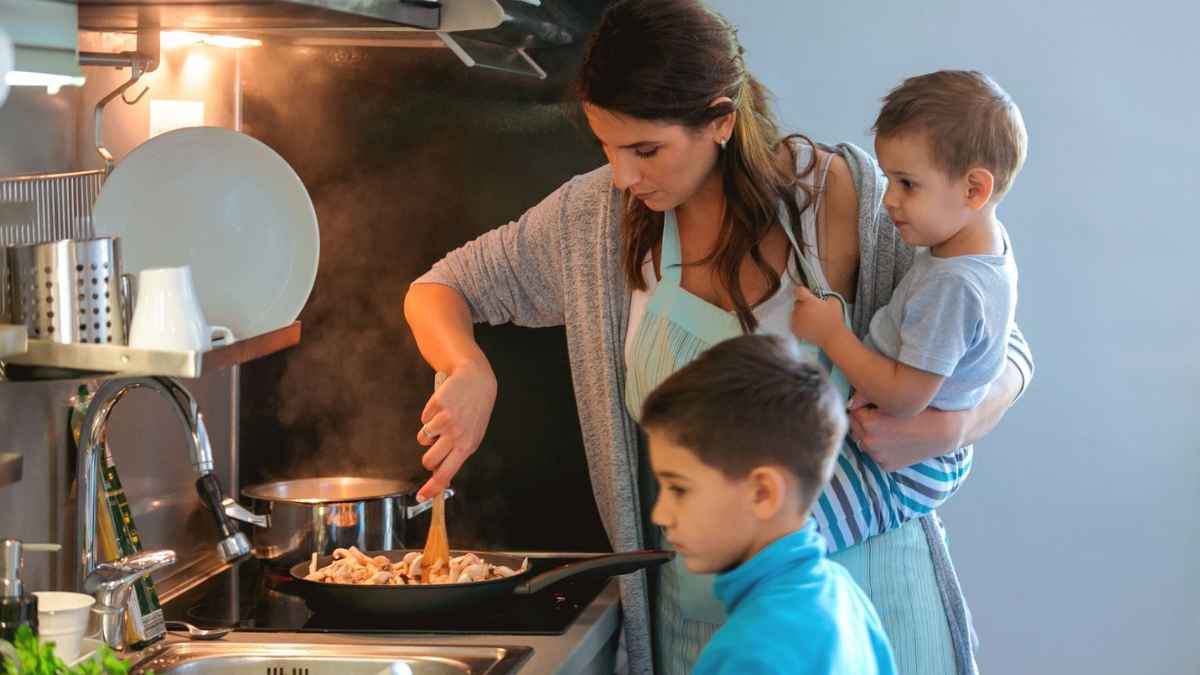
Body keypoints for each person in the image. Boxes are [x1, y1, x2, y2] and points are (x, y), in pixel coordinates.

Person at [403, 1, 1035, 673]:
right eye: (609, 148)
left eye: (646, 150)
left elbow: (1008, 348)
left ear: (721, 119)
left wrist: (946, 428)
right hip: (700, 624)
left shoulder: (850, 199)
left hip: (865, 609)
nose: (624, 176)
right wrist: (467, 366)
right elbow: (442, 287)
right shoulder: (596, 221)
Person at [792, 70, 1024, 518]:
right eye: (886, 180)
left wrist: (831, 334)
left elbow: (905, 398)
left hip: (908, 465)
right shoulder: (979, 245)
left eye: (907, 184)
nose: (888, 200)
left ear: (975, 189)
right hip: (914, 444)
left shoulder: (954, 285)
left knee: (790, 534)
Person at [641, 333, 897, 675]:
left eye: (679, 488)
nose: (660, 514)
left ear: (763, 493)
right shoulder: (843, 594)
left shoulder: (749, 654)